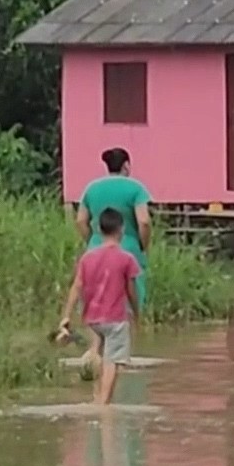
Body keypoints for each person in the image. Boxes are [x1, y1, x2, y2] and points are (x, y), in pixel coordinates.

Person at [59, 207, 143, 406]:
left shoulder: (88, 257)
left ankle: (96, 392)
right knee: (112, 361)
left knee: (100, 353)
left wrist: (67, 315)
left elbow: (77, 286)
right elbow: (131, 291)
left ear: (98, 229)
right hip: (115, 318)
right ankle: (103, 403)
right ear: (121, 230)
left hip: (93, 318)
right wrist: (137, 314)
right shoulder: (126, 259)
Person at [76, 147, 153, 313]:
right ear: (126, 165)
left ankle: (96, 338)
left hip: (95, 247)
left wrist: (92, 240)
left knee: (95, 304)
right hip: (128, 247)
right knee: (128, 307)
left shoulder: (92, 188)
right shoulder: (136, 188)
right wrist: (143, 245)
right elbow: (144, 221)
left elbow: (81, 220)